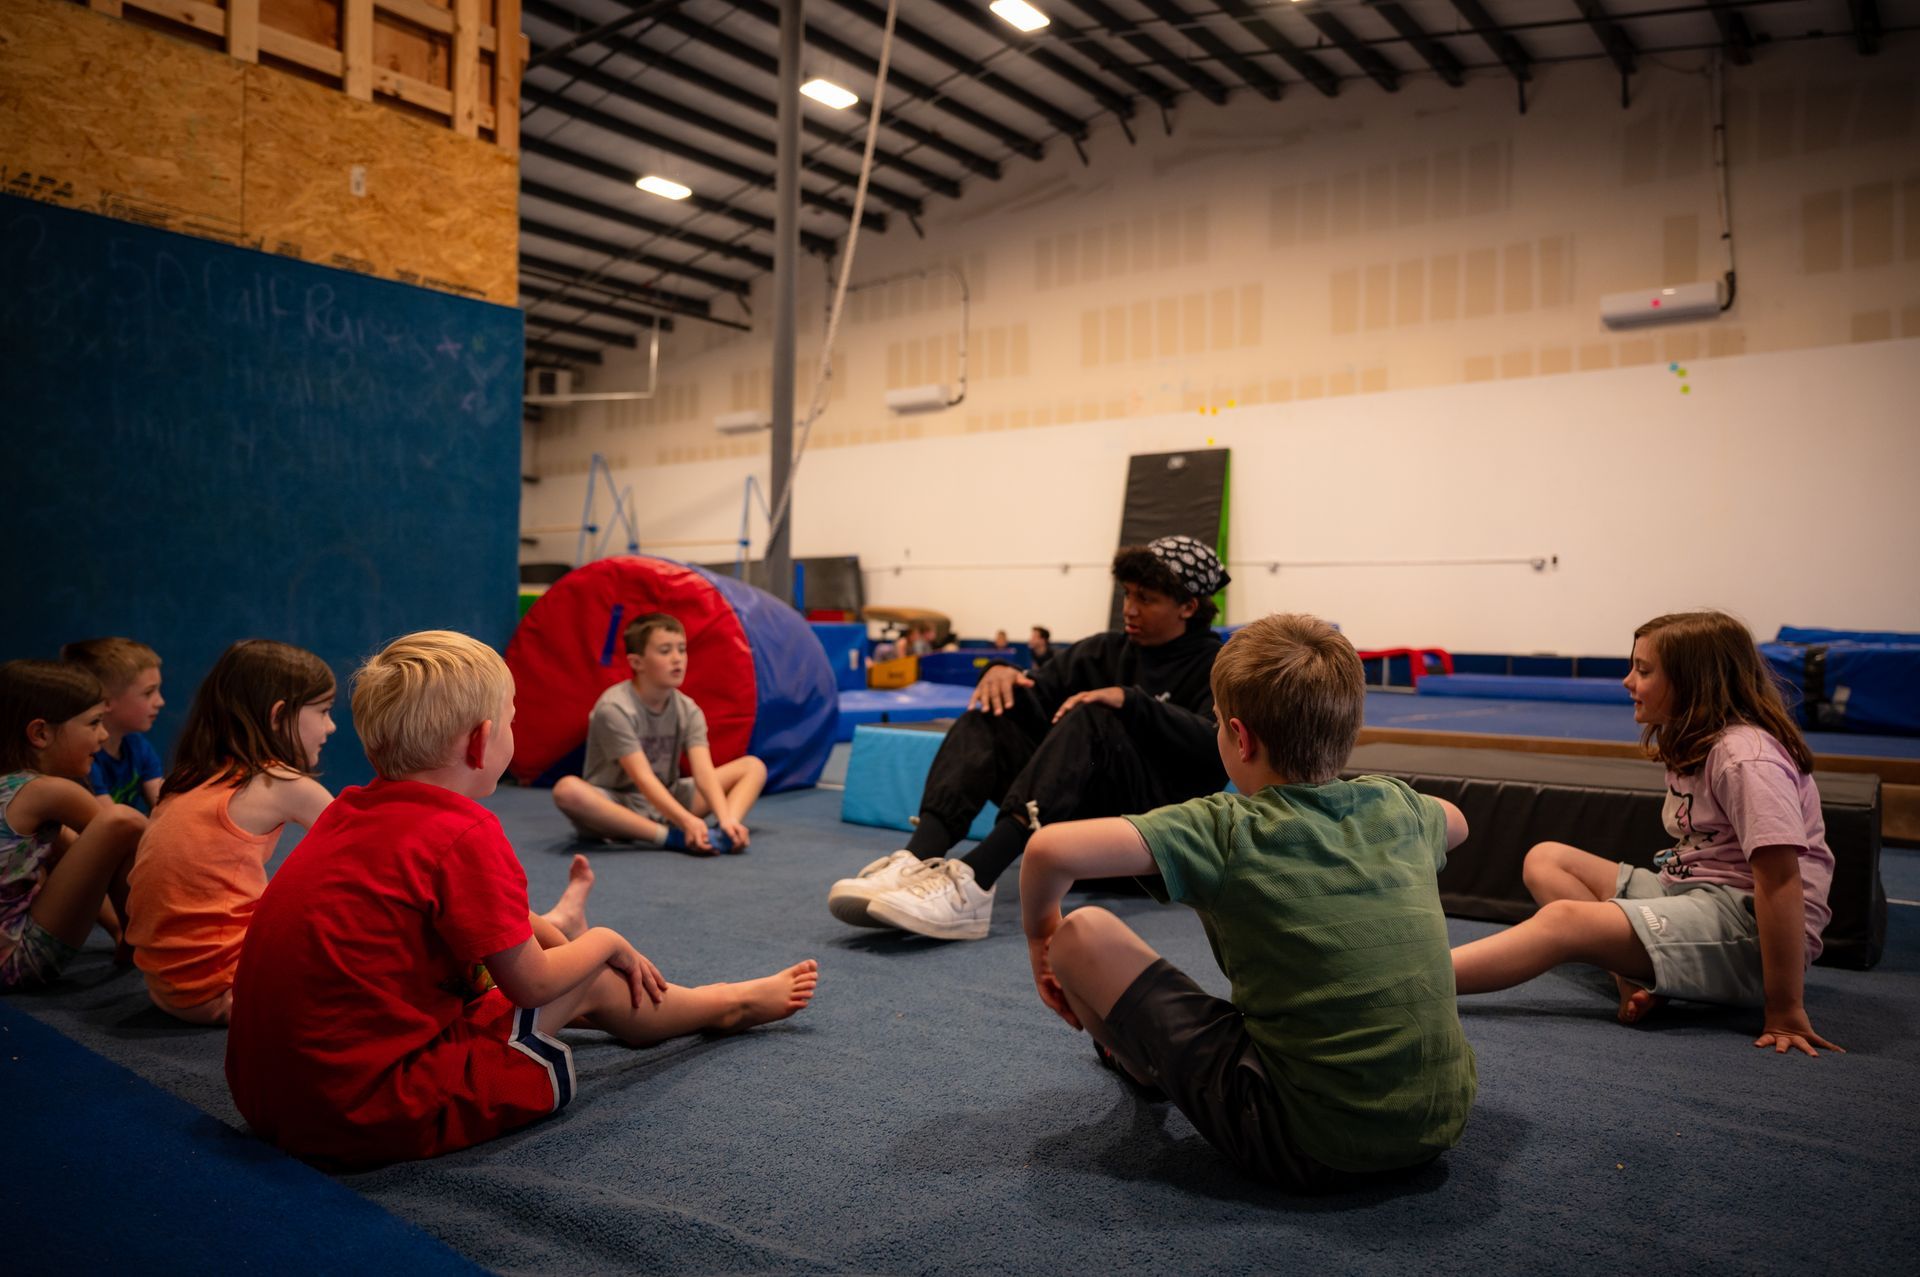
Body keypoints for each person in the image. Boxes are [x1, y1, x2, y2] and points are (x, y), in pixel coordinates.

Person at [224, 630, 819, 1167]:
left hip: (267, 1097)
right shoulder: (464, 832)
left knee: (536, 964)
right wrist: (604, 940)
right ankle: (726, 1004)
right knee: (590, 977)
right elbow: (532, 985)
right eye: (512, 720)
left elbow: (435, 907)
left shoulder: (352, 811)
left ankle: (646, 995)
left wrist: (553, 935)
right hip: (362, 1112)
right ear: (484, 742)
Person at [1021, 614, 1475, 1187]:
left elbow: (1048, 851)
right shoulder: (1399, 807)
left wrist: (1040, 939)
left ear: (1240, 737)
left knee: (1082, 933)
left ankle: (1141, 1064)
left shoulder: (1228, 826)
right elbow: (1457, 823)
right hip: (1438, 1122)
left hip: (1300, 1142)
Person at [1452, 610, 1841, 1057]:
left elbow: (1781, 881)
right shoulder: (1697, 739)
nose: (1626, 681)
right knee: (1546, 859)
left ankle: (1413, 978)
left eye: (1643, 670)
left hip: (1750, 928)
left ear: (1694, 681)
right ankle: (1635, 975)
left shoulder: (1745, 760)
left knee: (1565, 922)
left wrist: (1785, 1006)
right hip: (1694, 893)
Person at [828, 535, 1230, 941]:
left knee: (1092, 713)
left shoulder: (1218, 668)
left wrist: (1131, 702)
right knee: (996, 706)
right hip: (1079, 831)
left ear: (1188, 606)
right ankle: (918, 856)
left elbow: (1215, 749)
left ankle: (974, 882)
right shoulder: (1102, 652)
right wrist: (1002, 673)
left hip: (1147, 846)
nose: (1129, 609)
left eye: (1145, 599)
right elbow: (1032, 696)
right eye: (1127, 595)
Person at [123, 640, 337, 1025]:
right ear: (279, 715)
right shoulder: (283, 782)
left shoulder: (189, 778)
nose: (330, 726)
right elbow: (370, 853)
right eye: (322, 712)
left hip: (167, 988)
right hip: (222, 989)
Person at [551, 613, 766, 854]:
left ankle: (725, 831)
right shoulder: (615, 708)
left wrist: (725, 816)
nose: (677, 659)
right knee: (567, 790)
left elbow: (704, 773)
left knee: (752, 766)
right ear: (636, 662)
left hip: (669, 795)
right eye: (665, 651)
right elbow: (643, 778)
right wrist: (686, 821)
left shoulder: (688, 709)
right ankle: (667, 837)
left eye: (682, 650)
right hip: (621, 803)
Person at [0, 660, 146, 991]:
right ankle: (145, 941)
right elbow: (122, 838)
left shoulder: (15, 788)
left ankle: (128, 936)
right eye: (94, 723)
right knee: (122, 821)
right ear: (40, 733)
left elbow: (80, 856)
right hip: (15, 962)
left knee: (71, 841)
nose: (104, 735)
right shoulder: (49, 791)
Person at [61, 637, 166, 813]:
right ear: (106, 701)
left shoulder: (137, 745)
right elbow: (112, 823)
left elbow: (164, 805)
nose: (160, 702)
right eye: (149, 693)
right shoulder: (85, 757)